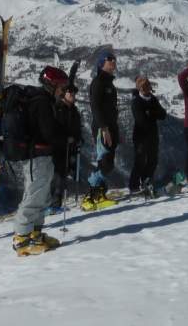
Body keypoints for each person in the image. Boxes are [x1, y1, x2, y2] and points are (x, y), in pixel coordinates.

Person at [12, 66, 69, 256]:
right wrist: (64, 137)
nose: (63, 91)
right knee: (33, 196)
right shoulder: (42, 102)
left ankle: (35, 233)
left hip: (42, 155)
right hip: (35, 156)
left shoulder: (45, 100)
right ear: (52, 85)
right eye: (61, 86)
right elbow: (48, 132)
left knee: (42, 197)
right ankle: (21, 238)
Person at [82, 50, 120, 210]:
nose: (113, 61)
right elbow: (95, 107)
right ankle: (90, 195)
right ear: (101, 63)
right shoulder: (98, 83)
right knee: (106, 163)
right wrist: (104, 128)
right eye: (109, 59)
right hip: (102, 128)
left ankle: (100, 195)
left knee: (107, 162)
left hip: (110, 126)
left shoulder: (109, 83)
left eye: (114, 59)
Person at [48, 81, 83, 214]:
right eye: (70, 92)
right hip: (58, 148)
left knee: (63, 174)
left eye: (74, 93)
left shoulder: (73, 110)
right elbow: (54, 128)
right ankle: (53, 204)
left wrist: (78, 139)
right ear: (64, 94)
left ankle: (56, 203)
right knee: (58, 175)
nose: (73, 95)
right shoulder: (57, 108)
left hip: (70, 147)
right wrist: (65, 139)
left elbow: (77, 128)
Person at [129, 76, 167, 194]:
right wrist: (153, 114)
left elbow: (163, 114)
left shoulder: (153, 99)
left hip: (152, 135)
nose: (146, 88)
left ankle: (146, 181)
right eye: (143, 86)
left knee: (153, 160)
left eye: (147, 86)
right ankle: (133, 185)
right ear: (139, 88)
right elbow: (141, 119)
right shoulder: (136, 101)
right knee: (139, 161)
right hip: (140, 136)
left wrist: (150, 113)